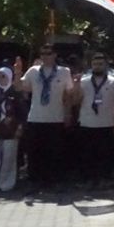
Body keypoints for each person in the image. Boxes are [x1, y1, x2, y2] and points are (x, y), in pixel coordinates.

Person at [14, 45, 75, 189]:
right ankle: (35, 182)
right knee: (35, 152)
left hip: (56, 118)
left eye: (48, 53)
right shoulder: (33, 71)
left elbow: (68, 95)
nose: (45, 56)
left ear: (55, 55)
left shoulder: (64, 72)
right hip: (36, 117)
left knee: (54, 152)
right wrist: (17, 73)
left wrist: (68, 113)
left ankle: (53, 182)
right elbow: (20, 88)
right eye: (42, 53)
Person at [71, 52, 114, 187]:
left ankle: (105, 179)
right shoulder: (83, 81)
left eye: (100, 64)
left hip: (107, 124)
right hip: (87, 123)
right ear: (91, 66)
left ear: (106, 65)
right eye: (95, 64)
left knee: (105, 155)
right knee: (87, 155)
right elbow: (75, 101)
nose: (98, 66)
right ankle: (88, 180)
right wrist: (76, 85)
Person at [0, 66, 23, 193]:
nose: (1, 79)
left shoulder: (15, 92)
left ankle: (6, 183)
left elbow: (21, 112)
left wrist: (19, 128)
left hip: (11, 130)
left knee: (9, 158)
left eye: (4, 76)